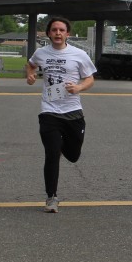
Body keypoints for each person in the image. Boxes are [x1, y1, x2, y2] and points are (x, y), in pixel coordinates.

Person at [26, 17, 97, 213]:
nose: (58, 33)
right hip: (49, 111)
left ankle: (61, 145)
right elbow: (30, 64)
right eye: (54, 30)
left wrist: (79, 87)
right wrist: (30, 75)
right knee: (52, 154)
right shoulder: (41, 53)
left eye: (62, 30)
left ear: (68, 34)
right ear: (49, 33)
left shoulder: (79, 54)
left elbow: (90, 79)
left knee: (73, 155)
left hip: (73, 112)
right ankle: (51, 197)